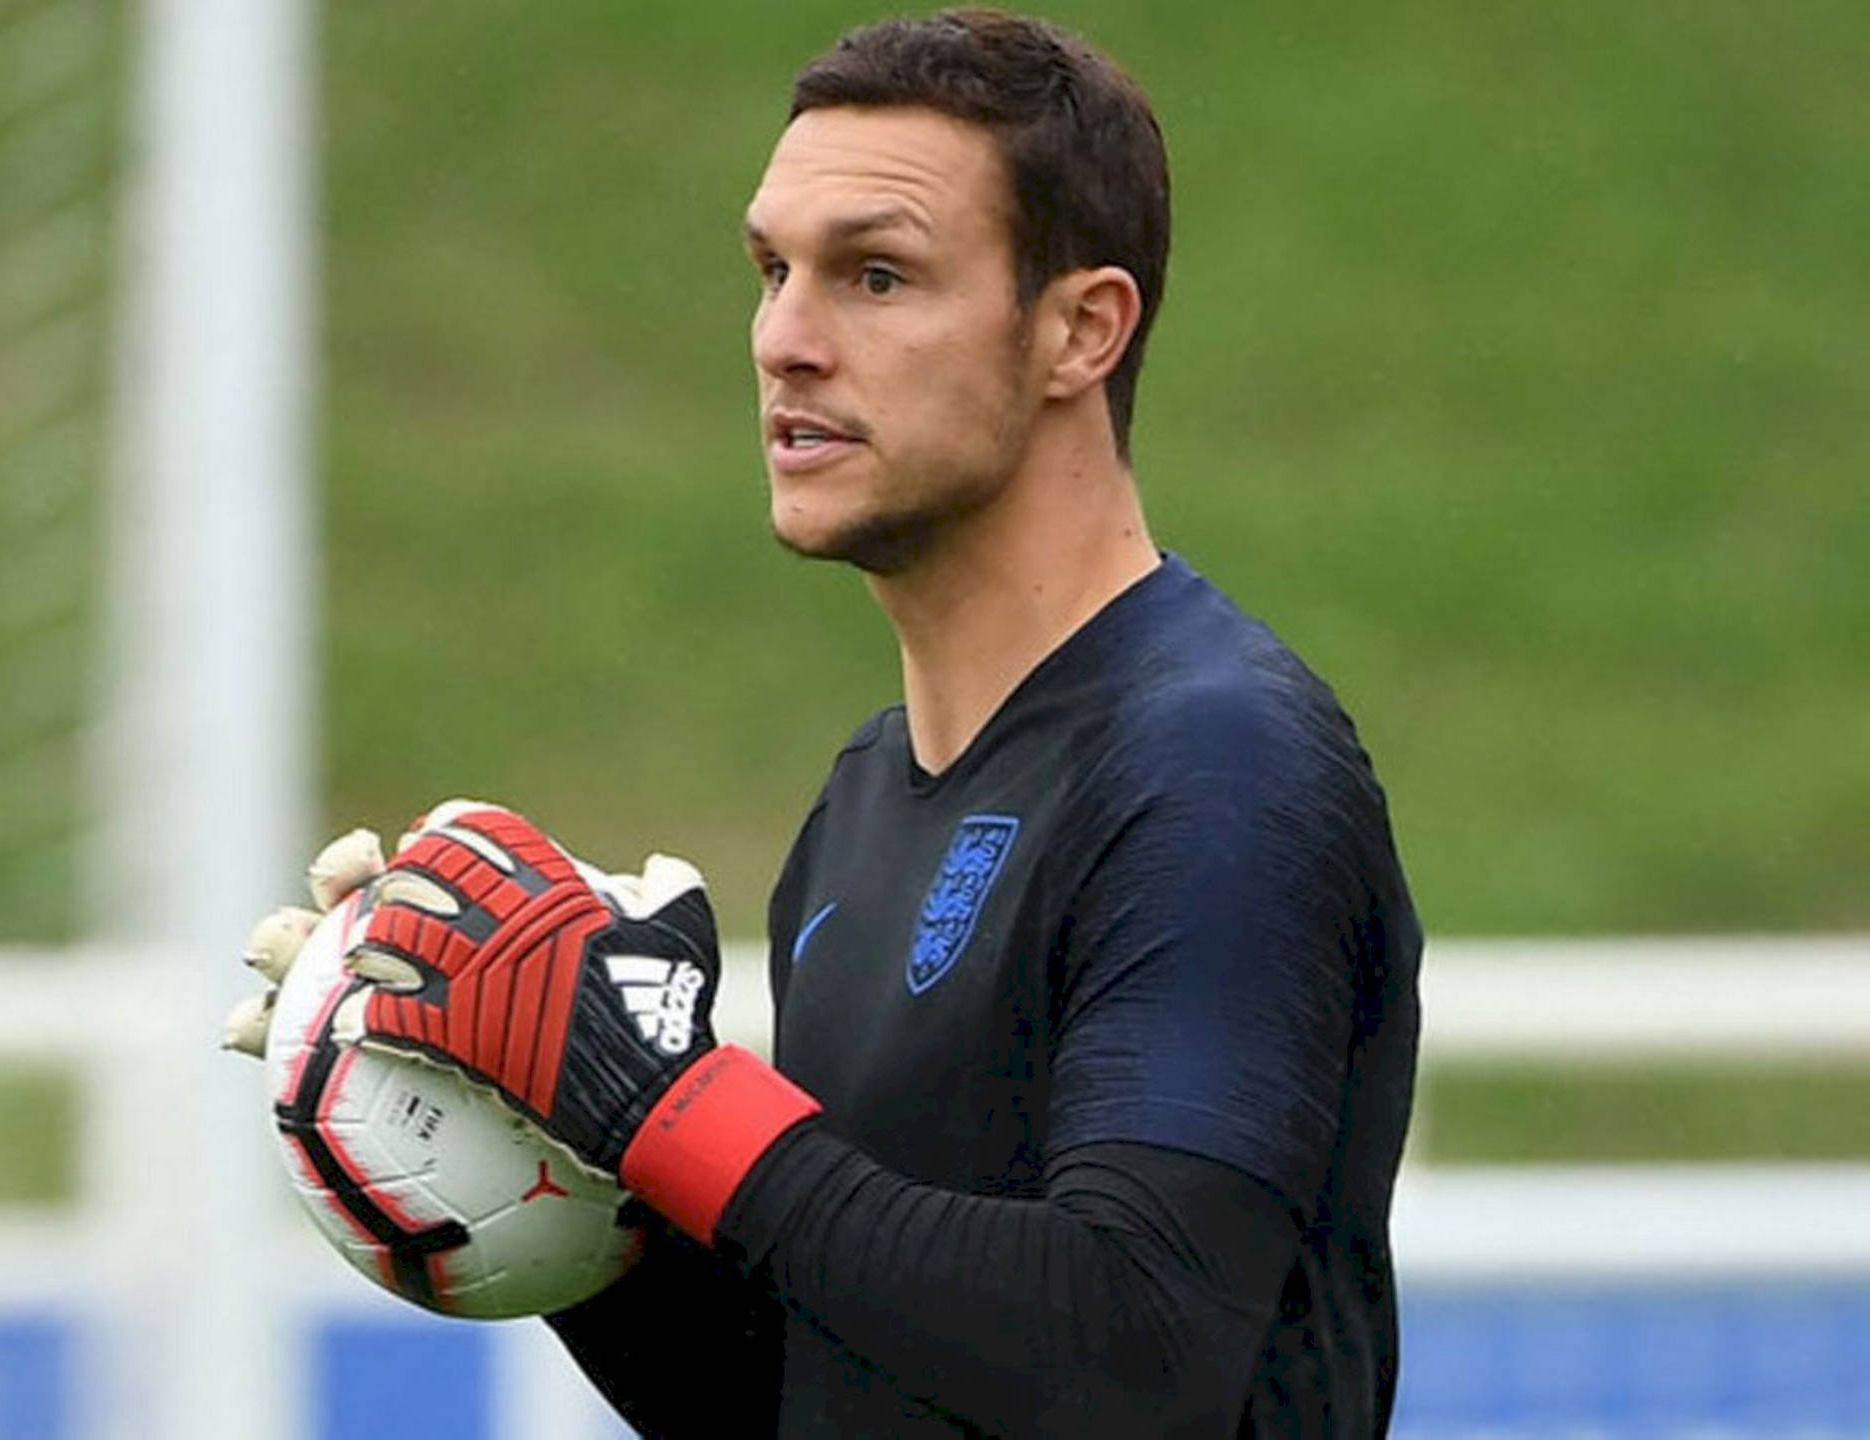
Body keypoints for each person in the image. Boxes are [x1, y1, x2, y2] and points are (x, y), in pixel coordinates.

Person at [249, 10, 1421, 1436]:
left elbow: (1137, 1353)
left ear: (1080, 330)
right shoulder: (869, 796)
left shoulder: (1214, 763)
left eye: (877, 275)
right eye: (772, 271)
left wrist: (660, 1105)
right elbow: (819, 1399)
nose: (788, 341)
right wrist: (545, 1147)